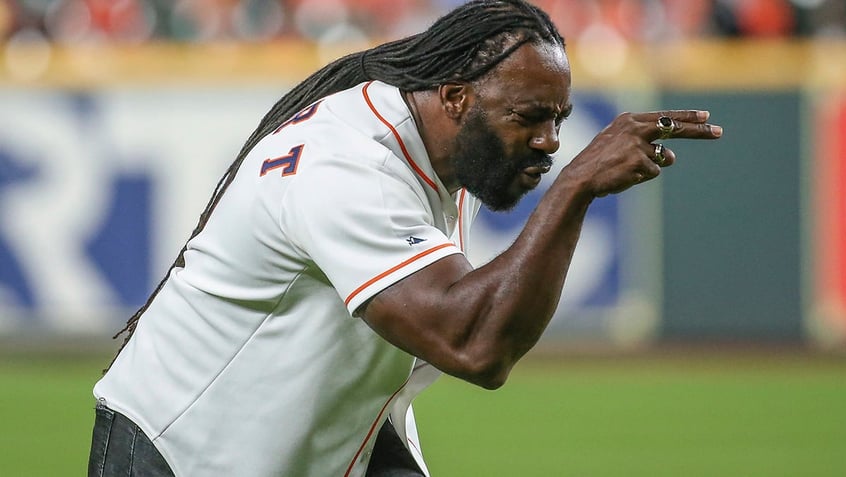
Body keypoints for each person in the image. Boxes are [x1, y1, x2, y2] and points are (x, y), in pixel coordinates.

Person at [88, 0, 723, 476]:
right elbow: (473, 345)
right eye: (529, 116)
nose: (551, 142)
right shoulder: (346, 166)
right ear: (454, 97)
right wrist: (575, 187)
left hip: (313, 441)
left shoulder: (445, 151)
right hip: (176, 453)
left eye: (558, 119)